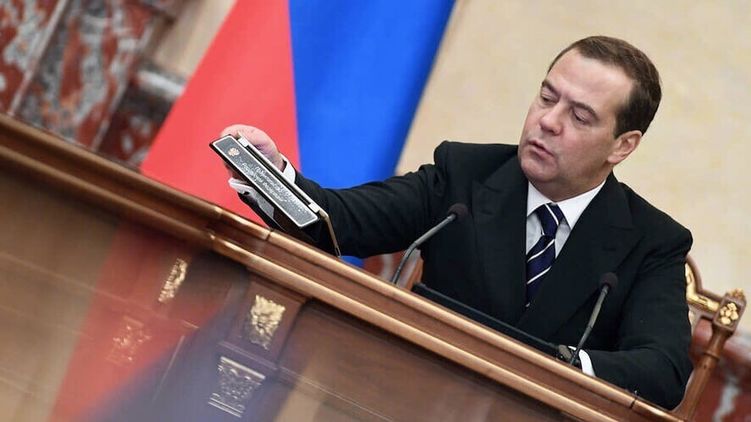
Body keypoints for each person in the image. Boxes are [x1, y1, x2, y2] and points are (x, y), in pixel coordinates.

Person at [221, 36, 692, 409]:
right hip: (403, 403)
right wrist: (272, 174)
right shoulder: (465, 175)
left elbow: (664, 370)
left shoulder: (652, 241)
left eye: (580, 116)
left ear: (622, 145)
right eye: (547, 97)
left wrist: (564, 367)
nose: (548, 121)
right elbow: (342, 221)